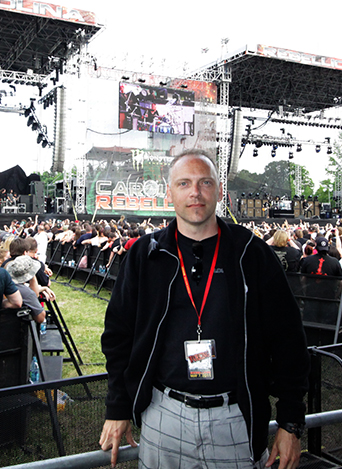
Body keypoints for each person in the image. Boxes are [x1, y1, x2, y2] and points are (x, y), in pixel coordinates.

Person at [99, 149, 309, 469]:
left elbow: (288, 340)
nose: (195, 192)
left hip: (235, 418)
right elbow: (118, 336)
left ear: (219, 190)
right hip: (162, 414)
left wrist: (290, 421)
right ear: (170, 193)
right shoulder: (145, 255)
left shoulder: (251, 254)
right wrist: (118, 406)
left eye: (204, 183)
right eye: (184, 183)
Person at [5, 255, 46, 324]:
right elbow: (40, 318)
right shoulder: (25, 292)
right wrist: (32, 276)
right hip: (15, 329)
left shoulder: (1, 283)